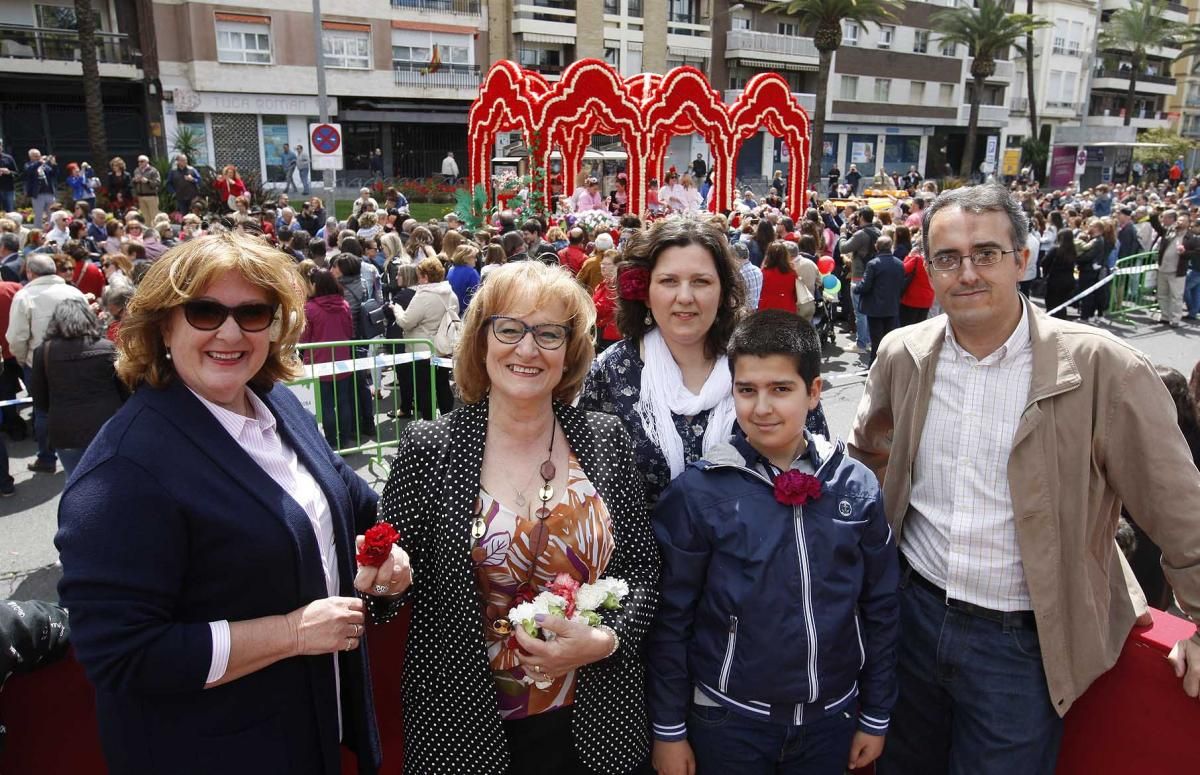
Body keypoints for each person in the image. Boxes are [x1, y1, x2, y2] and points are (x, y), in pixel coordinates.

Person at [848, 184, 1200, 775]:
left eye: (985, 253)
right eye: (948, 258)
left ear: (1021, 258)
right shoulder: (903, 353)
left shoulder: (1101, 367)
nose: (968, 273)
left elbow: (1178, 507)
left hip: (1022, 645)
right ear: (927, 269)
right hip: (911, 620)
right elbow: (868, 458)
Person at [55, 231, 404, 774]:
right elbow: (119, 653)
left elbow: (353, 506)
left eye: (253, 314)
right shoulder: (125, 468)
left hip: (312, 733)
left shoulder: (277, 405)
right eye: (204, 311)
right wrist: (290, 634)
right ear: (163, 325)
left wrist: (386, 559)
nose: (230, 332)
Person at [373, 259, 660, 773]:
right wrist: (386, 584)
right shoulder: (429, 449)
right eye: (509, 328)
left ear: (570, 350)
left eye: (549, 334)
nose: (527, 349)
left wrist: (607, 639)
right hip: (465, 731)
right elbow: (386, 595)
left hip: (597, 724)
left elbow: (641, 568)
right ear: (481, 338)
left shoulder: (605, 438)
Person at [649, 309, 897, 775]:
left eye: (781, 389)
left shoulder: (855, 485)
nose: (761, 408)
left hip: (832, 719)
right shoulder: (700, 492)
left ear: (814, 391)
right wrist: (669, 728)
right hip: (728, 720)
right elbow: (672, 618)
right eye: (747, 390)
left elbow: (880, 606)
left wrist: (876, 712)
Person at [581, 219, 829, 507]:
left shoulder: (771, 361)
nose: (685, 297)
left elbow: (817, 463)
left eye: (701, 281)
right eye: (668, 281)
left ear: (723, 290)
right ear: (645, 292)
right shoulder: (610, 374)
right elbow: (592, 493)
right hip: (643, 551)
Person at [28, 297, 127, 477]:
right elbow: (125, 391)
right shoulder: (108, 347)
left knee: (75, 481)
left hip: (65, 430)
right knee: (110, 480)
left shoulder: (43, 352)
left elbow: (39, 399)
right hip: (107, 425)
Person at [6, 253, 86, 473]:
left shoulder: (25, 296)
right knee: (76, 406)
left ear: (30, 272)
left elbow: (16, 337)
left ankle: (47, 457)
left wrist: (26, 361)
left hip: (41, 363)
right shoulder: (74, 292)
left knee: (43, 411)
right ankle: (78, 455)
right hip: (76, 360)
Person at [391, 256, 457, 420]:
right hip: (444, 347)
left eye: (419, 276)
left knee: (424, 389)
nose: (418, 280)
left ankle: (429, 424)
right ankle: (448, 421)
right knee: (442, 385)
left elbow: (406, 322)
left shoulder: (424, 296)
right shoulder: (450, 293)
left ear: (425, 277)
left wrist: (397, 309)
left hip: (423, 350)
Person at [300, 267, 357, 449]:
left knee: (326, 405)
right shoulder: (344, 304)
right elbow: (350, 332)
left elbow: (304, 338)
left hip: (318, 363)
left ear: (315, 285)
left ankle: (331, 442)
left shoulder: (310, 308)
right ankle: (345, 439)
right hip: (343, 361)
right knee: (343, 402)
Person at [856, 235, 906, 365]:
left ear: (877, 246)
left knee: (876, 339)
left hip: (875, 308)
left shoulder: (873, 264)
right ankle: (888, 365)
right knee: (889, 339)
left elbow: (866, 285)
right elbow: (902, 285)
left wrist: (856, 288)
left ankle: (875, 365)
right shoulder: (899, 264)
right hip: (892, 306)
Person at [1041, 228, 1077, 319]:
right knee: (1062, 304)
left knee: (1051, 303)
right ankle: (1061, 319)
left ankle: (1051, 320)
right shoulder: (1073, 251)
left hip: (1055, 281)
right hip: (1068, 281)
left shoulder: (1055, 250)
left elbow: (1044, 262)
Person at [758, 240, 800, 314]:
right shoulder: (792, 273)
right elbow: (796, 294)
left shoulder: (763, 273)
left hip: (766, 309)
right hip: (787, 308)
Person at [593, 248, 621, 352]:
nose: (603, 267)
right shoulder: (605, 283)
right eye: (602, 263)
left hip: (611, 336)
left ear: (616, 266)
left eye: (607, 264)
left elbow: (602, 308)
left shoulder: (615, 286)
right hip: (602, 332)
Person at [899, 245, 933, 326]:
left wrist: (909, 256)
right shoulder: (933, 262)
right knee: (920, 326)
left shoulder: (917, 259)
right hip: (927, 299)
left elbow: (902, 269)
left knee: (907, 326)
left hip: (912, 299)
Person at [23, 149, 57, 229]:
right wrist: (39, 163)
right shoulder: (28, 165)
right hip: (38, 194)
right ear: (30, 157)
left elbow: (53, 174)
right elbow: (29, 171)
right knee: (38, 215)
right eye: (36, 156)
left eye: (39, 155)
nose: (38, 157)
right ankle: (37, 231)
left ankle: (52, 229)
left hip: (49, 192)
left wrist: (54, 164)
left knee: (51, 214)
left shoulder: (45, 166)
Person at [447, 243, 481, 313]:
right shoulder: (472, 273)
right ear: (465, 258)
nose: (476, 260)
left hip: (453, 310)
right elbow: (476, 296)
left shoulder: (451, 270)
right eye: (474, 257)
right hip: (466, 312)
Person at [731, 240, 762, 312]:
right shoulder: (758, 270)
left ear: (734, 257)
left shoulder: (738, 274)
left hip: (742, 313)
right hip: (754, 311)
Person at [131, 155, 161, 222]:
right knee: (145, 217)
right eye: (138, 161)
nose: (140, 163)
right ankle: (148, 231)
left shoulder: (153, 170)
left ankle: (155, 231)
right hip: (141, 197)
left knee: (154, 216)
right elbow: (132, 183)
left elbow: (157, 183)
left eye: (142, 161)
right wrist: (135, 180)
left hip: (151, 196)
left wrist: (147, 181)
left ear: (147, 161)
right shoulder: (136, 170)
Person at [0, 139, 17, 212]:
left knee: (10, 211)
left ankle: (9, 224)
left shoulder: (9, 158)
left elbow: (16, 173)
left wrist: (9, 172)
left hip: (8, 189)